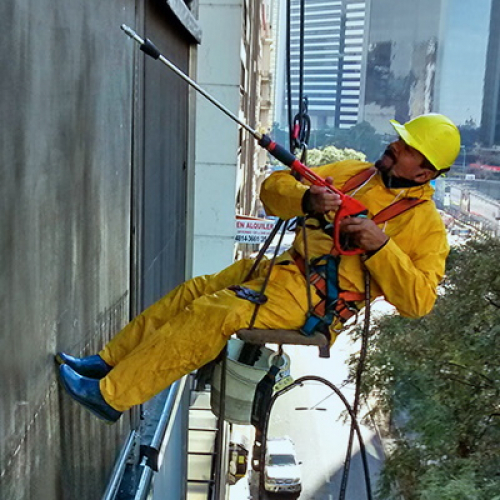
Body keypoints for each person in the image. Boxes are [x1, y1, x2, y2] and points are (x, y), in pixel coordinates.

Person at [56, 113, 461, 423]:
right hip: (282, 269)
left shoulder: (424, 227)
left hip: (315, 302)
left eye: (405, 147)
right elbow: (273, 189)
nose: (393, 145)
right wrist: (307, 199)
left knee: (214, 313)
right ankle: (110, 361)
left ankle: (111, 397)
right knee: (194, 291)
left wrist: (381, 247)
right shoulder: (353, 173)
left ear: (424, 171)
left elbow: (419, 300)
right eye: (398, 138)